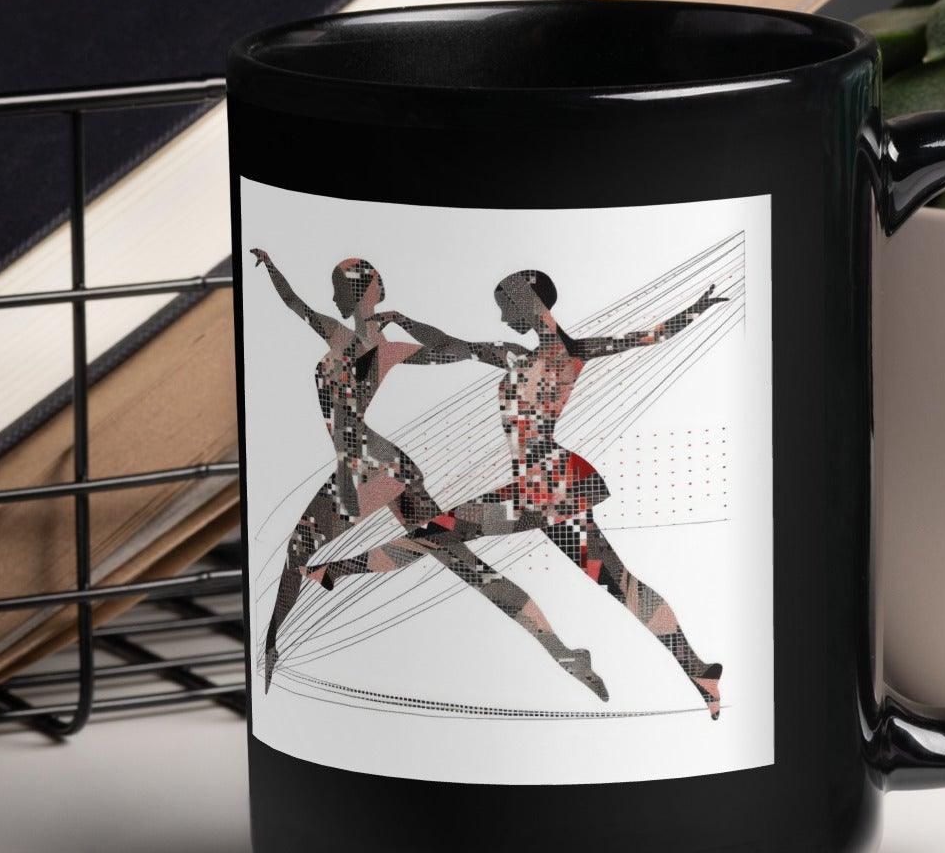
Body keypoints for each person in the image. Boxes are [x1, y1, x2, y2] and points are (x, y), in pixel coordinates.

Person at [354, 269, 728, 717]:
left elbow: (646, 337)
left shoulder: (568, 352)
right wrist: (403, 319)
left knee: (438, 531)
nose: (500, 315)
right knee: (621, 584)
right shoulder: (516, 356)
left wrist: (695, 309)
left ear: (526, 300)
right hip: (548, 488)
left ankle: (335, 572)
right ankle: (698, 670)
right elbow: (452, 344)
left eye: (505, 304)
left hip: (545, 485)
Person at [248, 249, 603, 700]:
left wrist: (487, 351)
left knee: (303, 550)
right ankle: (562, 652)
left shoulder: (359, 342)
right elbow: (296, 303)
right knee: (464, 565)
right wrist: (275, 269)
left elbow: (451, 349)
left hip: (370, 468)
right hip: (377, 466)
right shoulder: (368, 342)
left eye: (342, 287)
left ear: (357, 293)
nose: (336, 296)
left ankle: (273, 648)